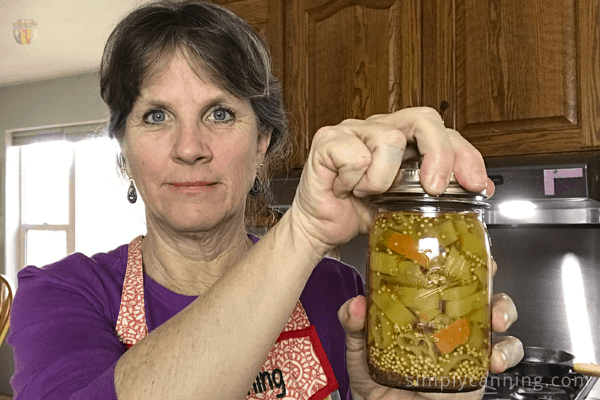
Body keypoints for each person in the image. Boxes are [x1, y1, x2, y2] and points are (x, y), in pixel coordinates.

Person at [7, 1, 523, 399]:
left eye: (221, 114)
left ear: (262, 143)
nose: (190, 149)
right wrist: (303, 230)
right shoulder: (58, 296)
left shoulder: (340, 290)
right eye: (157, 115)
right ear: (124, 146)